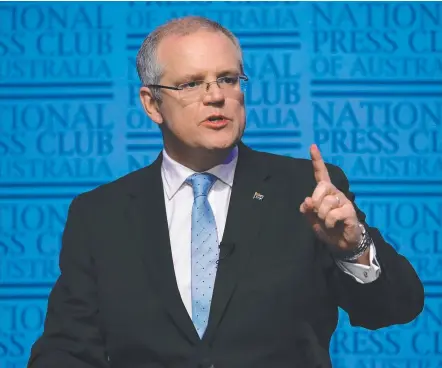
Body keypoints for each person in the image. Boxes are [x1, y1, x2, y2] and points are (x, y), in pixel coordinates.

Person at [28, 16, 424, 368]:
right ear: (152, 104)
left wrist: (352, 249)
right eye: (190, 83)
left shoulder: (307, 191)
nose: (216, 95)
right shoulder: (101, 214)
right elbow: (67, 348)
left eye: (228, 79)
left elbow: (394, 308)